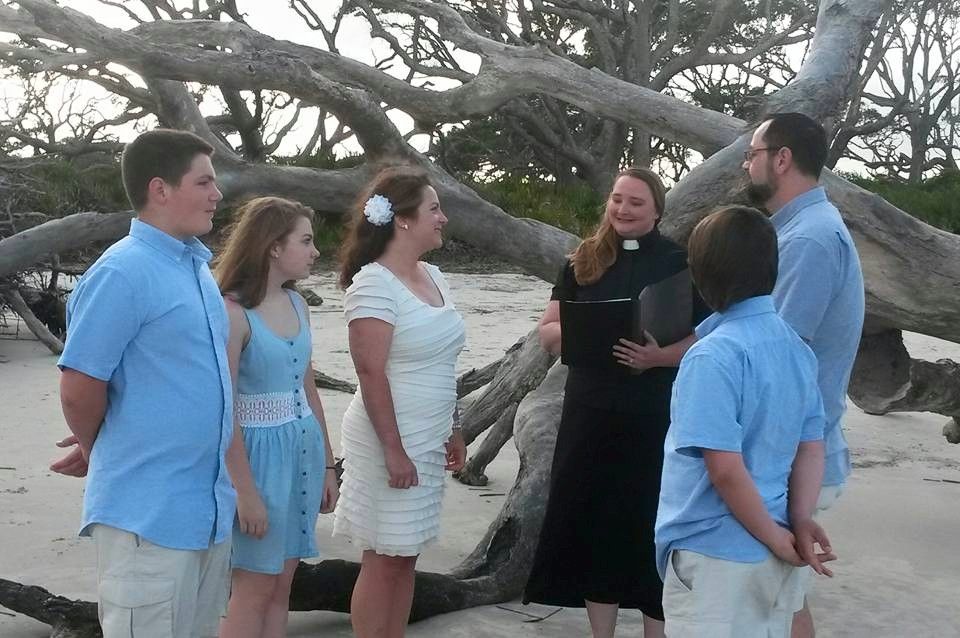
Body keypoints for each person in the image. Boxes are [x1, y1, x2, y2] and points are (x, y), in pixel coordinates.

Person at [52, 129, 236, 637]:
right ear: (161, 189)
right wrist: (101, 446)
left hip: (208, 513)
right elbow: (78, 386)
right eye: (204, 182)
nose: (217, 194)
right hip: (147, 517)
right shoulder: (123, 272)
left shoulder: (196, 269)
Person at [523, 167, 709, 638]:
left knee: (650, 523)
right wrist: (584, 334)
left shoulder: (680, 263)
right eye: (617, 199)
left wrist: (660, 356)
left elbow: (710, 336)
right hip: (589, 414)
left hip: (654, 417)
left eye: (636, 203)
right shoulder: (582, 260)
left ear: (657, 211)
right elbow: (547, 332)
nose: (623, 210)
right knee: (595, 524)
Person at [655, 205, 835, 638]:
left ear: (702, 275)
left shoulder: (712, 356)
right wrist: (799, 519)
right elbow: (811, 445)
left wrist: (775, 538)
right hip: (778, 540)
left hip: (717, 550)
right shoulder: (796, 349)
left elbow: (724, 469)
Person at [742, 112, 865, 638]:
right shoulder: (799, 231)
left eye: (752, 154)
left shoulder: (809, 240)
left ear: (782, 159)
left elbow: (778, 361)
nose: (747, 165)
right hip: (792, 448)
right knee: (777, 600)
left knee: (772, 601)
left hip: (791, 453)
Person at [333, 167, 467, 638]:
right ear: (403, 221)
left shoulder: (433, 276)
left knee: (406, 556)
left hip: (429, 434)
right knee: (384, 556)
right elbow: (370, 373)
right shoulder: (373, 284)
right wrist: (393, 448)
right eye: (434, 209)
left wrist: (453, 427)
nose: (443, 218)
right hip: (387, 435)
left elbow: (443, 362)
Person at [213, 197, 340, 638]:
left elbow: (308, 391)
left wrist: (328, 465)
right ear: (272, 246)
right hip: (256, 459)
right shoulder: (232, 314)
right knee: (252, 587)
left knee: (282, 585)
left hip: (301, 450)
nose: (315, 251)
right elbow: (223, 411)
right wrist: (245, 492)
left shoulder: (298, 304)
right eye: (305, 241)